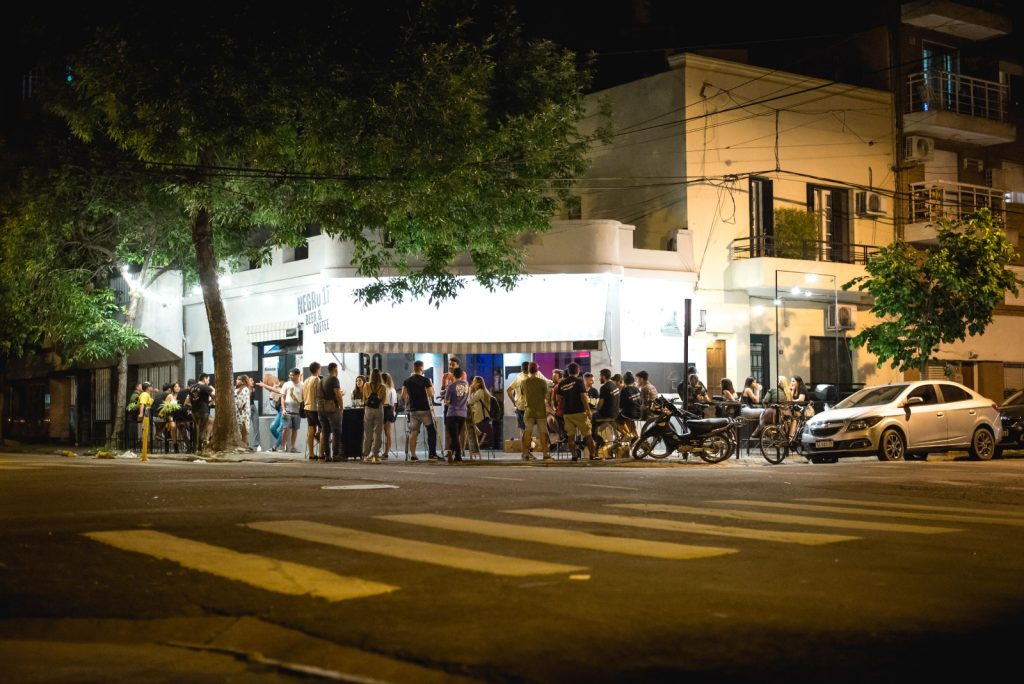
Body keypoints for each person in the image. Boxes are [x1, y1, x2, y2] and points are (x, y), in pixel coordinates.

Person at [557, 362, 597, 461]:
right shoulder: (579, 382)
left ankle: (574, 456)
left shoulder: (562, 383)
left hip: (567, 414)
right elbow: (583, 397)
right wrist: (588, 410)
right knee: (587, 434)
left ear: (568, 371)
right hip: (579, 412)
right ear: (578, 371)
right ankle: (592, 455)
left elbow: (558, 398)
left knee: (570, 436)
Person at [402, 360, 438, 462]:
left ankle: (413, 455)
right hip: (425, 409)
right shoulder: (426, 380)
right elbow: (430, 394)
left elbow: (404, 395)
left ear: (414, 368)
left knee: (414, 432)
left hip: (413, 410)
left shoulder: (407, 381)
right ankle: (432, 454)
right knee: (431, 431)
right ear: (422, 368)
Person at [520, 362, 550, 461]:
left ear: (528, 370)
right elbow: (547, 397)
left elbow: (522, 394)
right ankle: (545, 454)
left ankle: (525, 454)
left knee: (528, 432)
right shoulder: (542, 382)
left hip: (529, 410)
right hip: (540, 410)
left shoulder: (524, 382)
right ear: (537, 370)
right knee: (543, 432)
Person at [443, 367, 470, 463]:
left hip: (452, 413)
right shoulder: (467, 385)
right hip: (463, 414)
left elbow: (447, 402)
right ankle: (450, 450)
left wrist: (446, 400)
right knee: (456, 435)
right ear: (462, 375)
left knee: (454, 436)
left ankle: (458, 456)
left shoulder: (451, 386)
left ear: (453, 375)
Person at [319, 362, 344, 461]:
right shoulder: (334, 379)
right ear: (335, 369)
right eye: (337, 369)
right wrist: (341, 407)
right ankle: (336, 455)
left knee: (325, 432)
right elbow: (337, 394)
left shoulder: (322, 379)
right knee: (336, 431)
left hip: (321, 408)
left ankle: (327, 456)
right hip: (332, 408)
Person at [361, 368, 387, 463]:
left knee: (367, 433)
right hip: (379, 409)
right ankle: (375, 455)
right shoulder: (383, 387)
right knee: (378, 433)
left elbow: (364, 398)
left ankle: (365, 455)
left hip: (368, 410)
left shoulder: (366, 385)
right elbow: (383, 401)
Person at [594, 368, 621, 455]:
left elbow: (600, 404)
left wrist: (595, 410)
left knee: (590, 422)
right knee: (610, 422)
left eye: (600, 376)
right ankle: (617, 436)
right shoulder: (615, 386)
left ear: (604, 376)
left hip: (606, 414)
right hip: (615, 413)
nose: (599, 378)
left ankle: (600, 442)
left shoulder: (604, 387)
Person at [279, 368, 304, 453]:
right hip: (287, 410)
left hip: (297, 411)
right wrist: (283, 409)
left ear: (297, 375)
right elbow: (282, 397)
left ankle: (293, 447)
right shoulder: (286, 384)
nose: (291, 376)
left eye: (292, 375)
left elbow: (304, 398)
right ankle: (282, 447)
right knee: (285, 428)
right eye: (290, 375)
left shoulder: (302, 385)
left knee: (295, 429)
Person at [302, 362, 323, 460]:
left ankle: (311, 454)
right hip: (315, 408)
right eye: (320, 369)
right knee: (323, 429)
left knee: (311, 430)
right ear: (318, 369)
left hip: (307, 408)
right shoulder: (317, 379)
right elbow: (319, 394)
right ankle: (321, 454)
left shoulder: (306, 380)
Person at [468, 375, 493, 456]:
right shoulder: (485, 391)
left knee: (469, 425)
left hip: (480, 417)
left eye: (474, 381)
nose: (472, 383)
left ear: (478, 383)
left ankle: (479, 436)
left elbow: (469, 401)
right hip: (485, 416)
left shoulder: (480, 392)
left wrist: (470, 390)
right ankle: (476, 447)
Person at [188, 374, 214, 452]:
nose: (209, 381)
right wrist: (212, 389)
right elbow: (214, 395)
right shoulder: (205, 387)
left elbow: (190, 399)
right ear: (204, 379)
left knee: (199, 428)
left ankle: (199, 447)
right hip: (203, 411)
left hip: (194, 411)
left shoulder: (192, 387)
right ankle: (202, 446)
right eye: (208, 379)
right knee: (202, 429)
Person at [617, 371, 643, 442]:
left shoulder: (624, 390)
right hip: (639, 414)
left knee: (616, 419)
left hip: (629, 414)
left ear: (624, 381)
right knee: (629, 420)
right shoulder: (637, 389)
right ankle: (634, 435)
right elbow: (640, 402)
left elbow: (621, 405)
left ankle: (627, 434)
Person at [382, 371, 398, 459]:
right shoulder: (392, 389)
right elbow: (394, 404)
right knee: (388, 433)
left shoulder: (382, 388)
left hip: (382, 409)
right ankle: (386, 452)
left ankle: (377, 451)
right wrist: (393, 412)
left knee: (378, 432)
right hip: (390, 410)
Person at [234, 375, 251, 447]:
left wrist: (238, 405)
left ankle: (245, 445)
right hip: (237, 413)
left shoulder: (245, 389)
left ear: (243, 381)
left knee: (244, 429)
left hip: (243, 413)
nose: (236, 381)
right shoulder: (236, 389)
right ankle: (241, 445)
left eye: (238, 379)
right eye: (237, 379)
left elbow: (241, 402)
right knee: (239, 429)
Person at [246, 376, 260, 452]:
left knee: (256, 425)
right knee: (247, 426)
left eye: (253, 381)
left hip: (253, 407)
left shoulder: (253, 389)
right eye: (251, 381)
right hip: (247, 408)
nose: (253, 382)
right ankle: (245, 443)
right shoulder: (245, 390)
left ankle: (256, 443)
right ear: (247, 382)